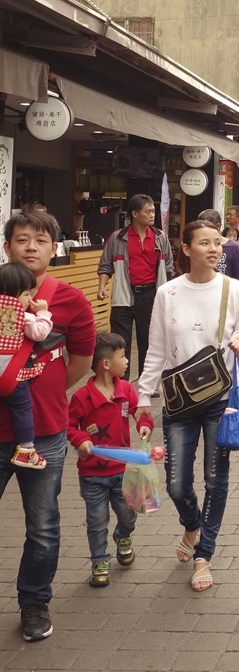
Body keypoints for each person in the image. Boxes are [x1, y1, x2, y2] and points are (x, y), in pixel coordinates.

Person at [137, 220, 239, 592]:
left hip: (221, 399)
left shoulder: (232, 289)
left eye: (218, 243)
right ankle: (191, 525)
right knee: (176, 484)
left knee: (216, 479)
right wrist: (142, 398)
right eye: (205, 243)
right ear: (186, 249)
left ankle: (204, 554)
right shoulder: (167, 293)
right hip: (178, 402)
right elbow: (155, 350)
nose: (215, 249)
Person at [0, 209, 95, 642]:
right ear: (7, 248)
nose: (31, 247)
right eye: (21, 240)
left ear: (54, 249)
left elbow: (80, 363)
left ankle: (34, 602)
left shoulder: (71, 301)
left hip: (46, 433)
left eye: (40, 240)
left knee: (42, 524)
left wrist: (45, 392)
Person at [67, 332, 154, 587]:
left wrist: (145, 424)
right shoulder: (81, 397)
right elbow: (70, 426)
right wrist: (80, 439)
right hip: (92, 475)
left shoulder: (126, 390)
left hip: (122, 470)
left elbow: (141, 412)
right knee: (96, 521)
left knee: (128, 513)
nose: (127, 361)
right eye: (123, 356)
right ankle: (99, 560)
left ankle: (123, 537)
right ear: (106, 364)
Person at [97, 194, 174, 378]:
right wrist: (102, 286)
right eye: (148, 211)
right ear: (135, 213)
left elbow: (169, 267)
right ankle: (120, 382)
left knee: (148, 341)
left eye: (153, 211)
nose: (152, 214)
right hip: (123, 295)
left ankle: (146, 382)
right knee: (120, 342)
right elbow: (105, 265)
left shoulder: (160, 238)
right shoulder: (117, 238)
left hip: (150, 296)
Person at [0, 262, 53, 469]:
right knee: (23, 410)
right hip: (13, 379)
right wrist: (43, 313)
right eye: (25, 294)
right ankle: (26, 449)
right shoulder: (25, 316)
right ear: (11, 296)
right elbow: (40, 333)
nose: (29, 299)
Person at [198, 209, 239, 293]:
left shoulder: (234, 248)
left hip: (226, 296)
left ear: (217, 227)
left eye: (205, 227)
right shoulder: (197, 247)